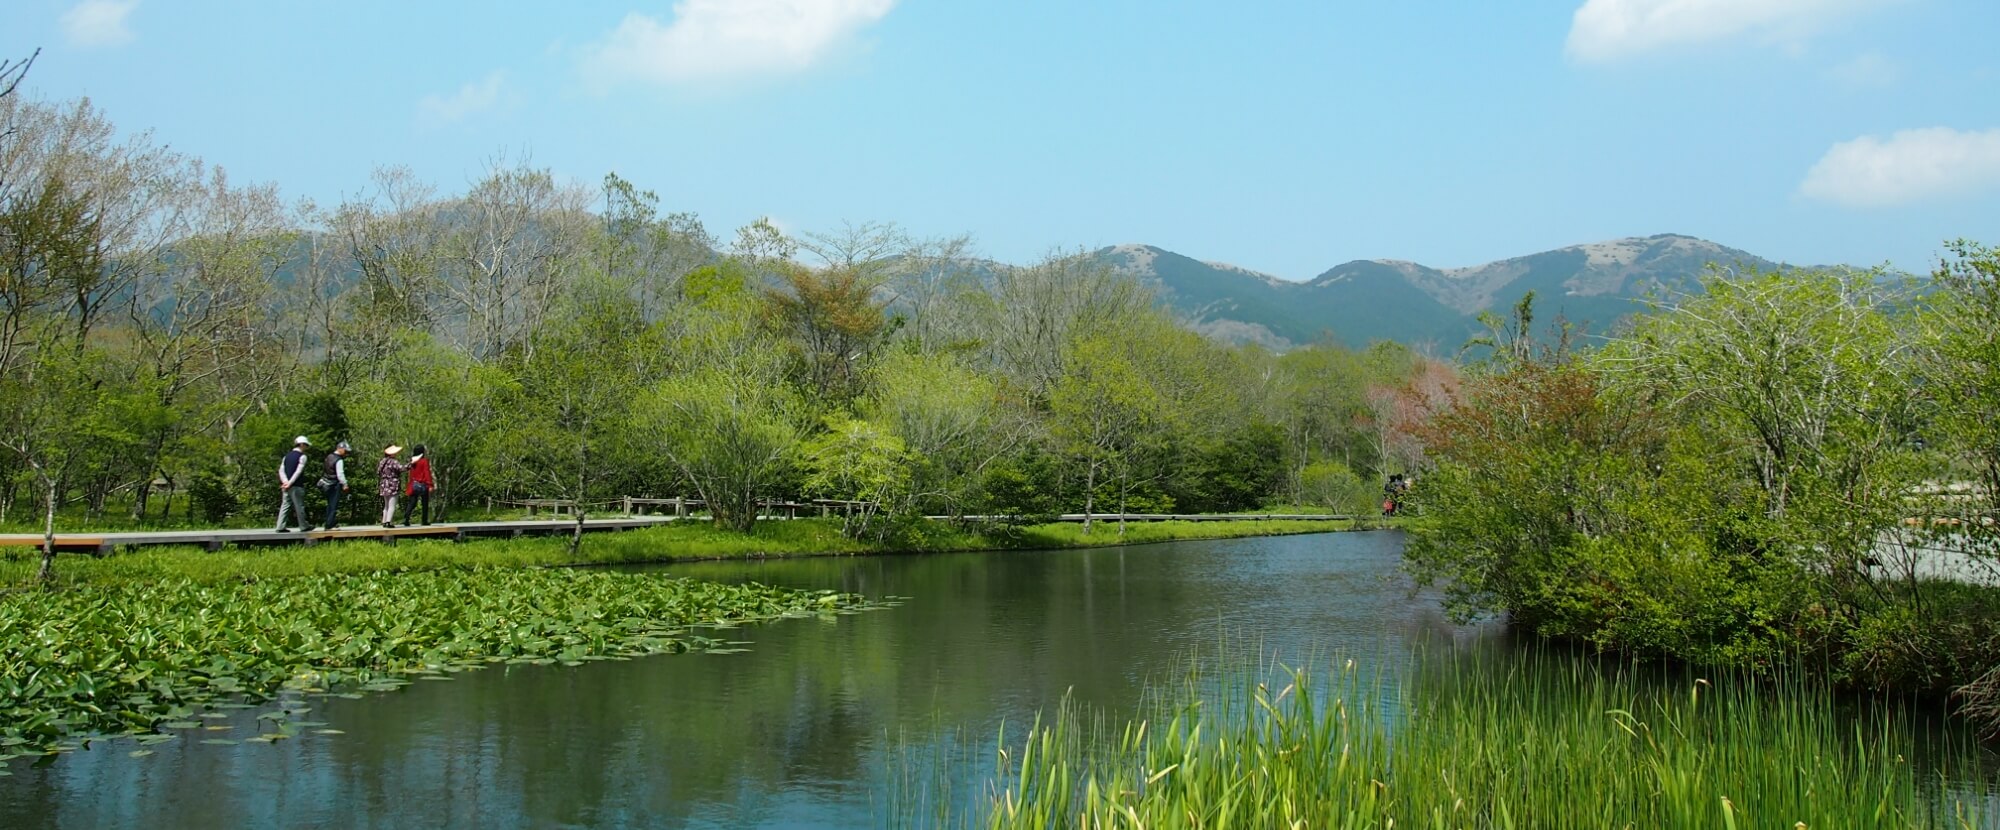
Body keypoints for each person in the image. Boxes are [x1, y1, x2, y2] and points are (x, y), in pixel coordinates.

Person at [275, 435, 314, 532]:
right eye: (305, 445)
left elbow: (281, 470)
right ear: (301, 444)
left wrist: (285, 482)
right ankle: (303, 526)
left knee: (285, 505)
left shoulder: (286, 456)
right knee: (299, 506)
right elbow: (298, 471)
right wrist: (290, 483)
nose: (306, 447)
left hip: (286, 485)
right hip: (296, 485)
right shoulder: (302, 456)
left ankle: (280, 526)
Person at [319, 441, 352, 530]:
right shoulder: (339, 460)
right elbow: (340, 474)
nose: (346, 453)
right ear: (340, 449)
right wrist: (345, 484)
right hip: (334, 484)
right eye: (345, 451)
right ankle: (330, 525)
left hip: (326, 483)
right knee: (334, 504)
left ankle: (329, 522)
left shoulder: (329, 456)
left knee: (329, 504)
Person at [403, 444, 434, 526]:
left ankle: (406, 517)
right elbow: (427, 473)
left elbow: (411, 475)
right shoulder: (424, 461)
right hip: (423, 484)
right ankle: (424, 520)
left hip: (413, 484)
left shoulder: (412, 462)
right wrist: (430, 484)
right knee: (425, 503)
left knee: (412, 502)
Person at [378, 445, 406, 527]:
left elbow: (378, 471)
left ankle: (384, 520)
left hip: (384, 484)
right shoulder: (394, 462)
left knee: (386, 505)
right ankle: (388, 521)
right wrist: (410, 464)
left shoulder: (383, 461)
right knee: (392, 505)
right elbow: (401, 468)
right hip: (393, 484)